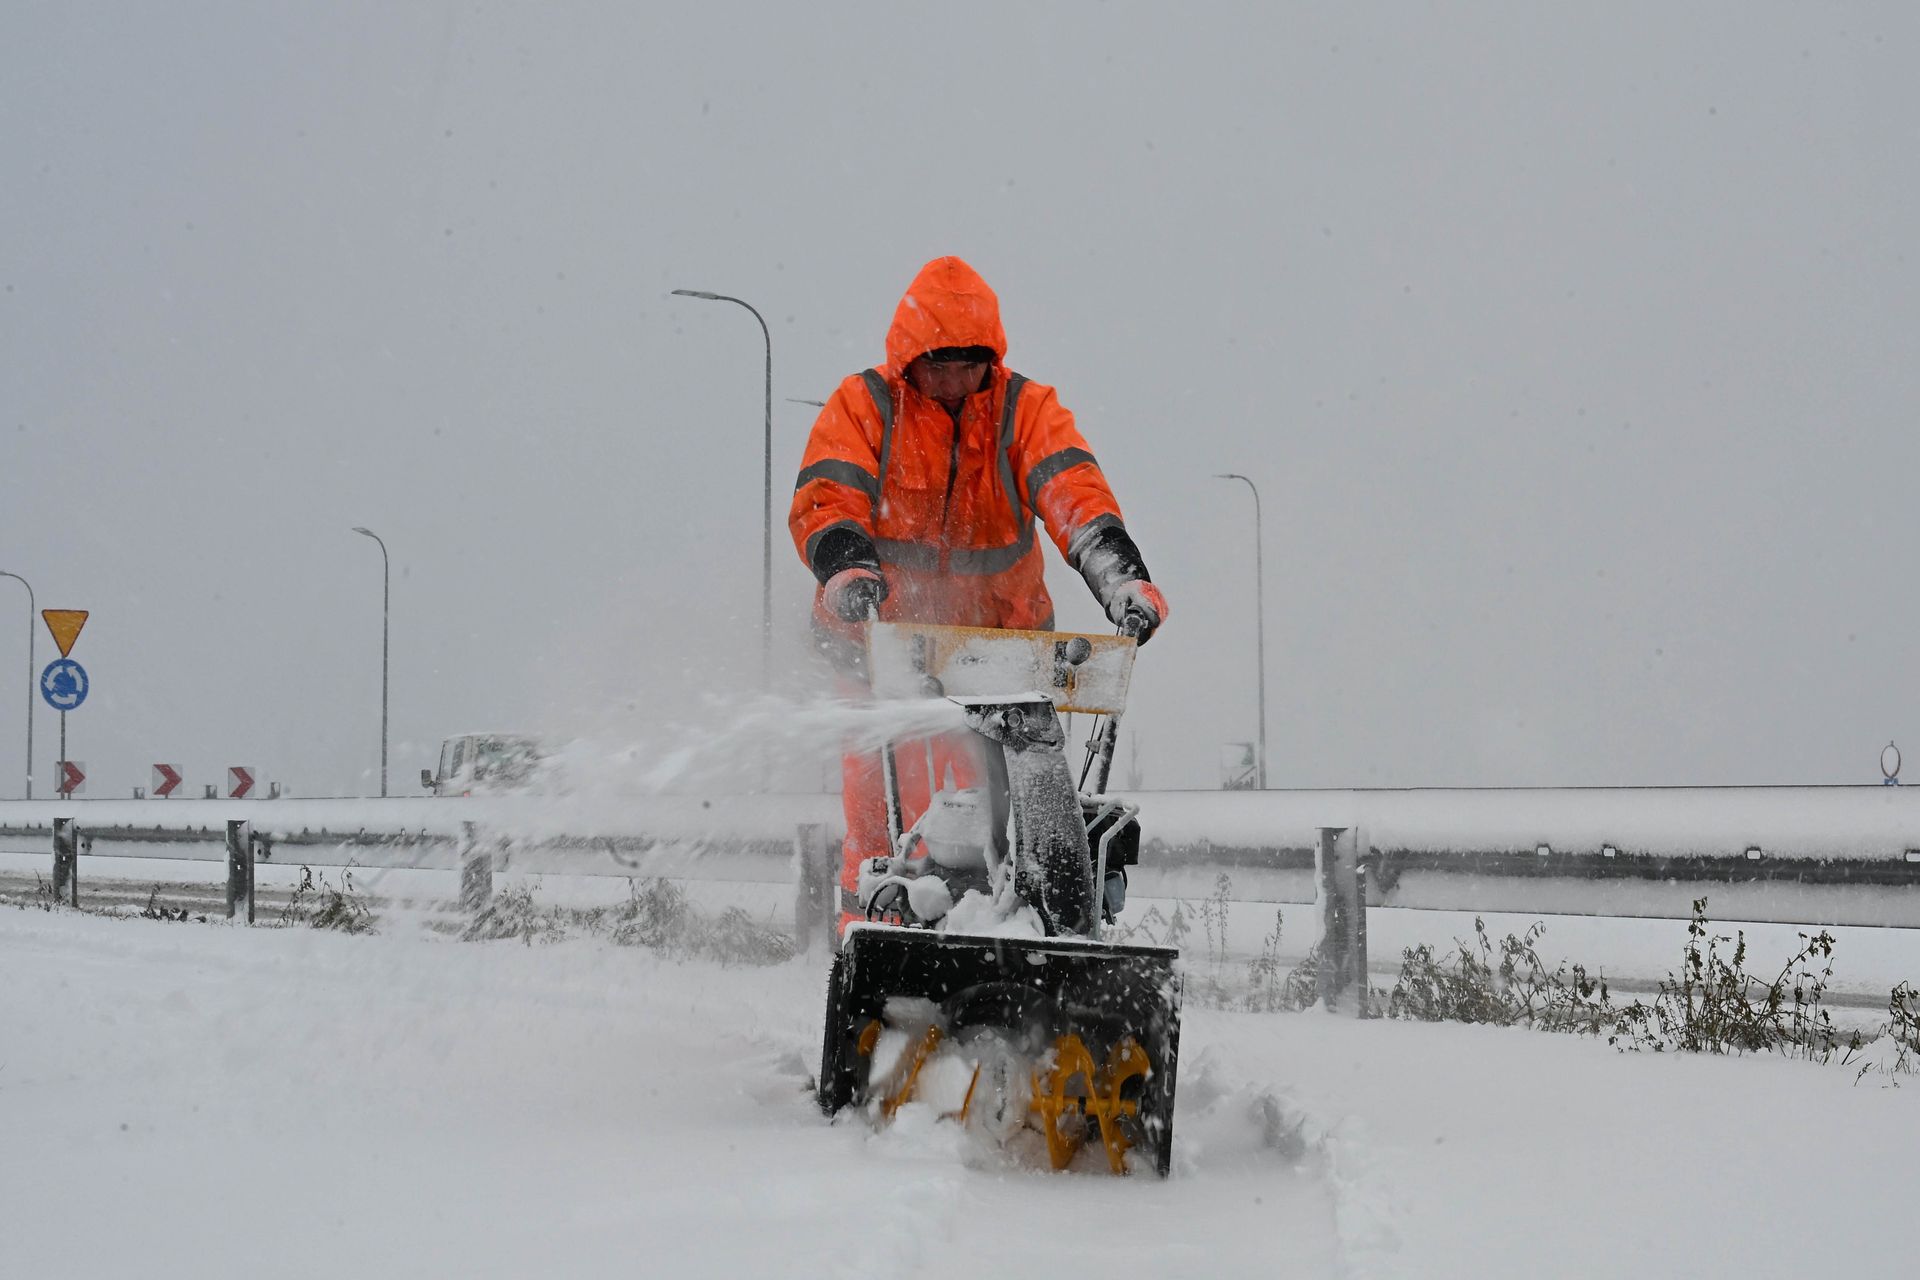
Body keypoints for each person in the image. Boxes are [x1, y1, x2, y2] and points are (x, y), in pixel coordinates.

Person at [789, 255, 1168, 928]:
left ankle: (1019, 928)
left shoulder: (1024, 412)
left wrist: (1121, 578)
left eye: (969, 367)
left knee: (1014, 811)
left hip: (998, 655)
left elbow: (1073, 493)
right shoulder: (867, 406)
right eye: (939, 367)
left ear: (990, 362)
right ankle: (874, 938)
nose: (954, 383)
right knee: (881, 808)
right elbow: (828, 495)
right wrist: (847, 568)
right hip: (880, 646)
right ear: (909, 360)